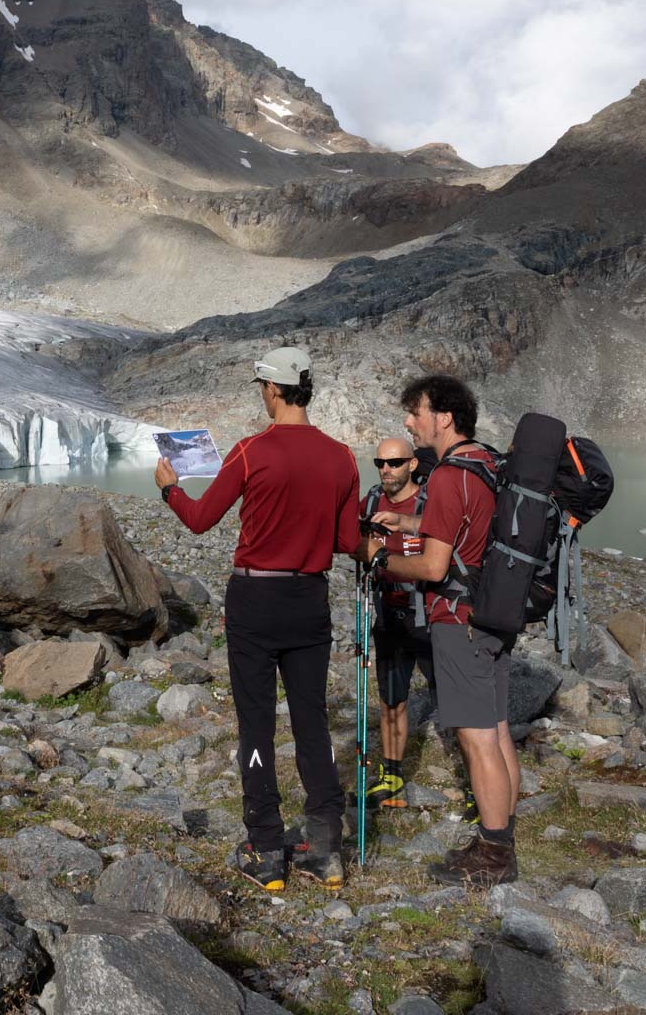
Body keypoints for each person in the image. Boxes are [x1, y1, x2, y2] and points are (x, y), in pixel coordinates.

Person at [154, 346, 360, 890]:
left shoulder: (251, 451)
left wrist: (169, 488)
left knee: (256, 724)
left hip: (255, 600)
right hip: (309, 599)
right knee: (312, 723)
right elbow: (346, 541)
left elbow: (200, 520)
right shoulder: (342, 457)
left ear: (272, 390)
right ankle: (325, 850)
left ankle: (266, 849)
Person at [362, 373, 519, 888]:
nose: (410, 422)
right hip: (493, 615)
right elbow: (457, 529)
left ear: (444, 416)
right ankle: (500, 835)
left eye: (417, 411)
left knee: (476, 740)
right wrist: (405, 527)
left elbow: (432, 566)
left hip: (457, 621)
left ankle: (495, 856)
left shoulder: (450, 475)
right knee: (496, 732)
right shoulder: (486, 464)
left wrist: (382, 558)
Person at [362, 437, 431, 808]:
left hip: (429, 617)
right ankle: (391, 775)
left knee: (453, 701)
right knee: (392, 700)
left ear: (413, 464)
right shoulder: (372, 500)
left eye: (394, 462)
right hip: (388, 615)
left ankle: (476, 785)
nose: (386, 470)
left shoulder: (428, 502)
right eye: (380, 463)